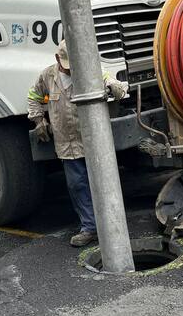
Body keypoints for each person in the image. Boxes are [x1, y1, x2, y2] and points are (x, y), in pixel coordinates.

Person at [27, 40, 127, 247]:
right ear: (57, 59)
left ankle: (111, 224)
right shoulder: (47, 76)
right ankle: (89, 228)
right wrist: (38, 120)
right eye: (66, 65)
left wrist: (113, 87)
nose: (71, 70)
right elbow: (33, 97)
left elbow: (115, 88)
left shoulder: (91, 71)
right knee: (77, 185)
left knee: (102, 182)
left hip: (93, 141)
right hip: (66, 143)